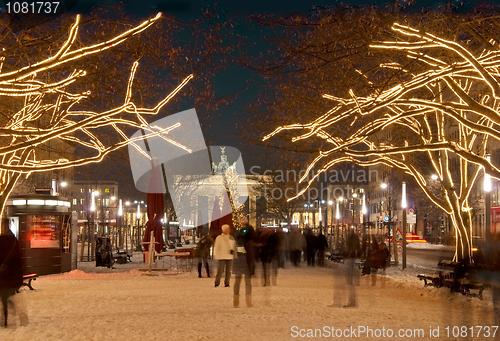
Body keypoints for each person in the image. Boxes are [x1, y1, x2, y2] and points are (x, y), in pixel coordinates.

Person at [0, 219, 23, 327]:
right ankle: (5, 319)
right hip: (8, 274)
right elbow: (18, 259)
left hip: (5, 275)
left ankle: (5, 320)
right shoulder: (14, 240)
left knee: (4, 297)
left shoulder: (4, 240)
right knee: (5, 297)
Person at [232, 231, 254, 308]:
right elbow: (251, 255)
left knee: (237, 282)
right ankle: (248, 302)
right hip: (246, 263)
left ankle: (236, 302)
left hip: (237, 263)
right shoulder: (249, 244)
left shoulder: (234, 244)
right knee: (248, 282)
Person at [344, 230, 361, 308]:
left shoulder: (351, 251)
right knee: (351, 284)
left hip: (351, 261)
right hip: (352, 261)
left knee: (350, 284)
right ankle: (352, 301)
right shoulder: (356, 249)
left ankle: (352, 301)